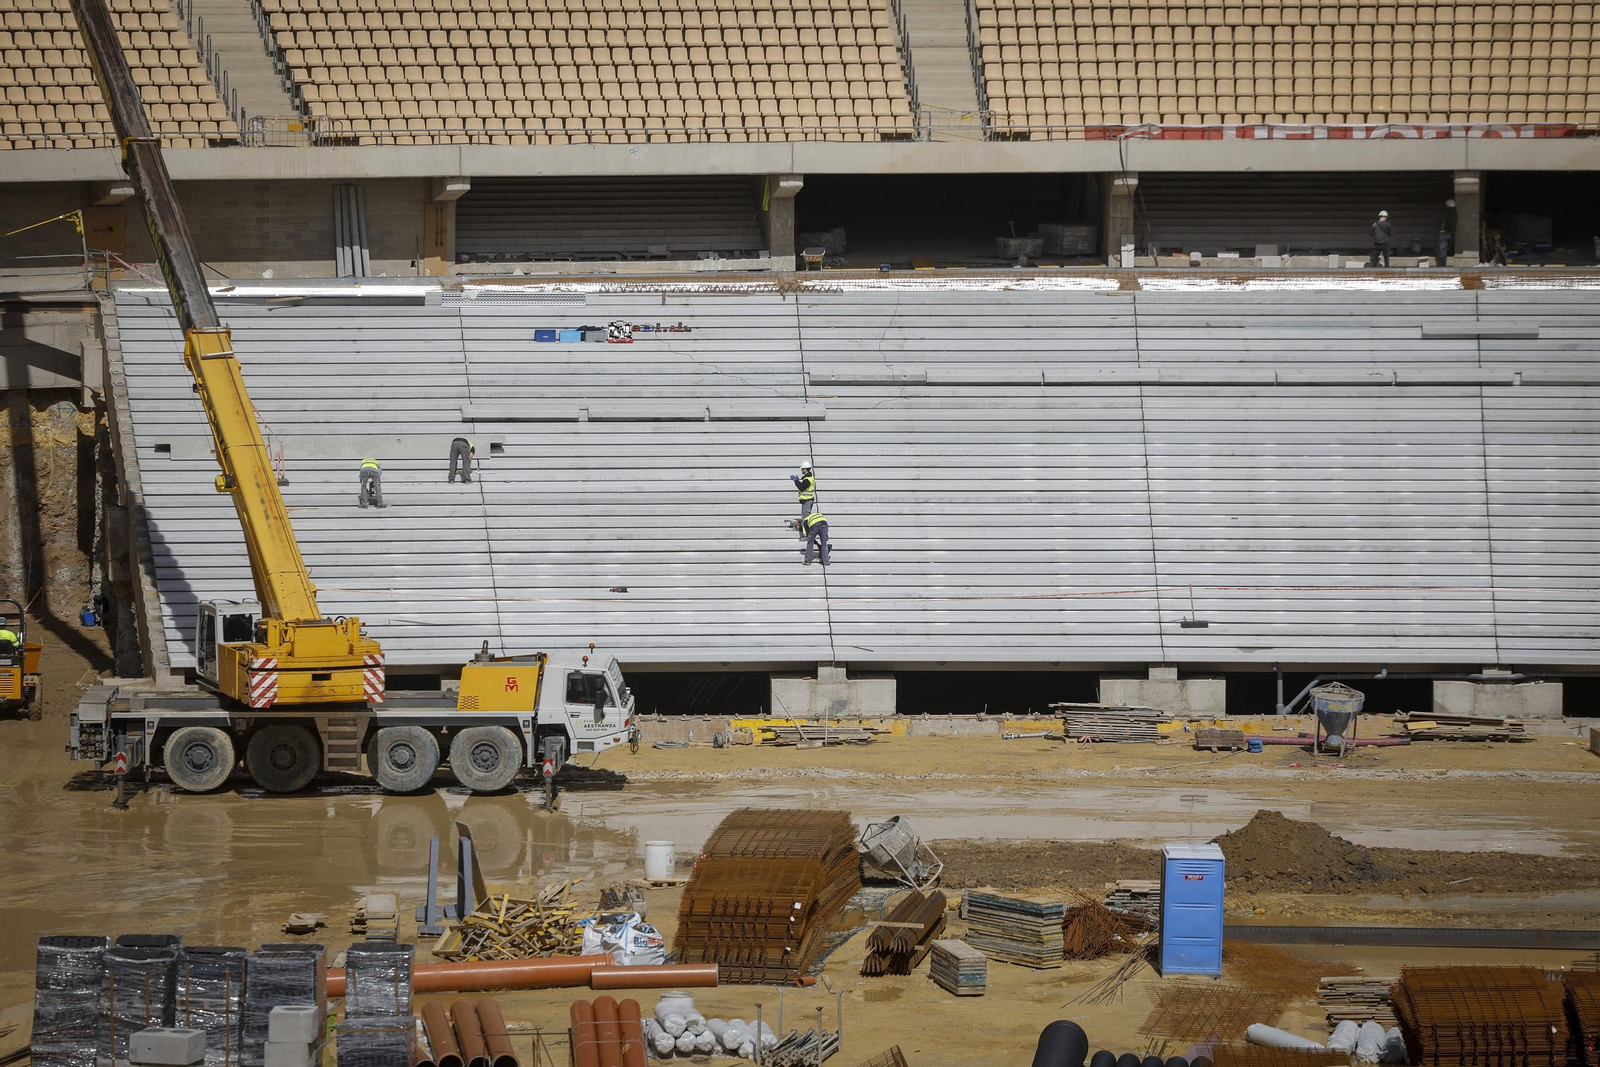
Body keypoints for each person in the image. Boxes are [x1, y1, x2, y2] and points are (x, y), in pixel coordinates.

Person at [1437, 198, 1457, 265]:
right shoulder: (1455, 213)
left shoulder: (1446, 212)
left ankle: (1443, 264)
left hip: (1444, 233)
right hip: (1451, 233)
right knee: (1449, 247)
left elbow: (1443, 222)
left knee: (1442, 250)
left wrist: (1440, 229)